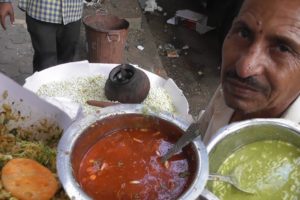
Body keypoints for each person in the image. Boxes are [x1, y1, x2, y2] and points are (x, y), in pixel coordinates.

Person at [201, 0, 300, 144]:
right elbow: (198, 136)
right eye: (244, 33)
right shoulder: (239, 88)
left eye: (282, 49)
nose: (244, 68)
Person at [0, 0, 83, 72]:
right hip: (42, 10)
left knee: (67, 63)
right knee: (45, 64)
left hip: (73, 11)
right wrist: (5, 2)